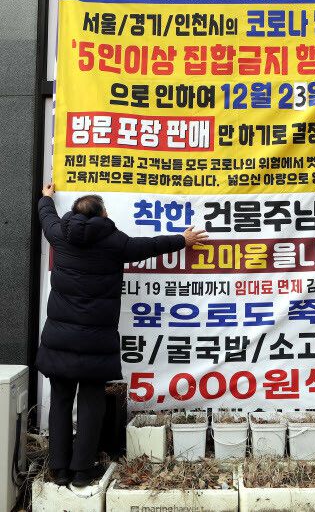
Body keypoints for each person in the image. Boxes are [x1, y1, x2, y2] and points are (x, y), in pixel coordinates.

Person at [36, 183, 208, 487]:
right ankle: (82, 471)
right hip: (95, 342)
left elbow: (47, 216)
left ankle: (58, 469)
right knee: (92, 403)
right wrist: (183, 239)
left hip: (59, 339)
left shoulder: (59, 234)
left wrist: (46, 197)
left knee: (60, 400)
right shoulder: (115, 242)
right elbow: (151, 245)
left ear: (74, 213)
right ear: (103, 214)